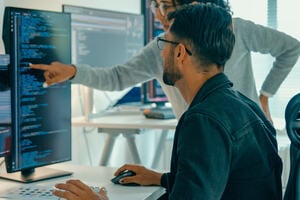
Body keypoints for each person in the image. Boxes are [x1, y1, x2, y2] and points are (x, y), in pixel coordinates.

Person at [53, 3, 283, 199]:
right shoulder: (245, 105)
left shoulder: (203, 120)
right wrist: (162, 178)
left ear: (180, 53)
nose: (160, 54)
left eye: (165, 44)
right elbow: (217, 180)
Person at [30, 0, 300, 122]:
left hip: (236, 137)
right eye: (155, 6)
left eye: (162, 5)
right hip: (198, 140)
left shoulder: (235, 29)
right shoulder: (162, 48)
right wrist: (74, 71)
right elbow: (117, 77)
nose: (157, 14)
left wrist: (265, 96)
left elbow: (291, 48)